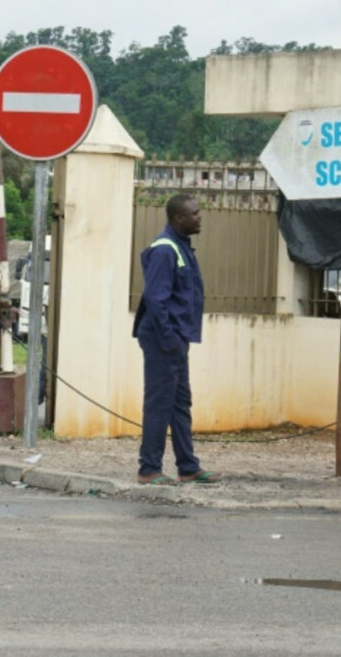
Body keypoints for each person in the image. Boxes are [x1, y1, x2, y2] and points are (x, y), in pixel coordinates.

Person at [131, 194, 221, 485]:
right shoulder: (165, 250)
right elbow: (156, 301)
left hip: (176, 338)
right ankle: (149, 469)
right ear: (178, 219)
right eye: (194, 213)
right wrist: (170, 339)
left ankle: (188, 466)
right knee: (159, 403)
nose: (200, 217)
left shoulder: (180, 247)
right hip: (163, 339)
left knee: (181, 402)